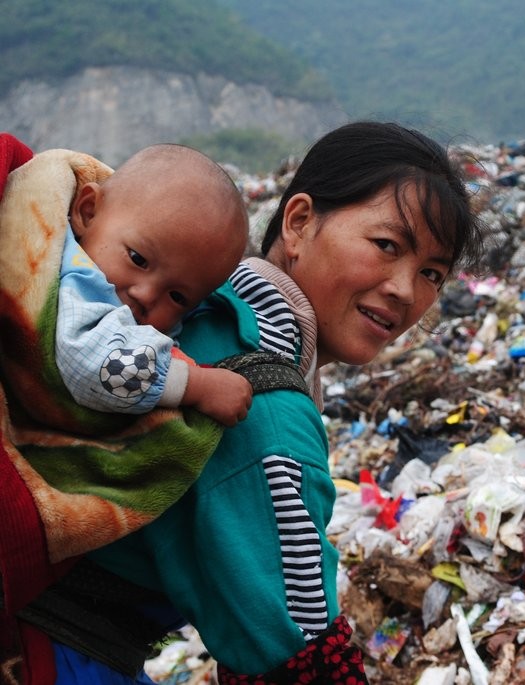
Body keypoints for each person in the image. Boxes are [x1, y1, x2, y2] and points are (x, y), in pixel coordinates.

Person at [31, 121, 484, 684]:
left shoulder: (202, 307)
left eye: (431, 274)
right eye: (387, 246)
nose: (404, 289)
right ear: (297, 223)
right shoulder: (262, 403)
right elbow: (291, 647)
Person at [58, 143, 253, 426]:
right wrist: (196, 385)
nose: (146, 295)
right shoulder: (78, 278)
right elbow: (90, 365)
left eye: (177, 297)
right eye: (138, 259)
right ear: (88, 212)